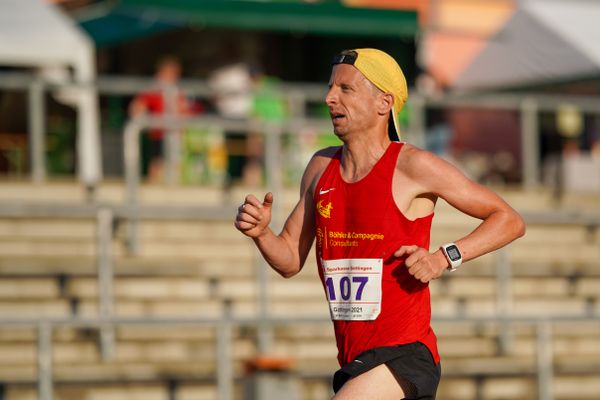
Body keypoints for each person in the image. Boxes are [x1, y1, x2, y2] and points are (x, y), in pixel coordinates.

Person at [234, 48, 525, 399]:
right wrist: (262, 233)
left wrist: (443, 257)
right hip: (354, 360)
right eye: (330, 87)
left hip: (405, 355)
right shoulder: (319, 167)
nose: (329, 99)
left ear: (383, 103)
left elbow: (508, 219)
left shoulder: (413, 165)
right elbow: (289, 260)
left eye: (345, 89)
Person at [129, 56, 198, 182]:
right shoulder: (155, 86)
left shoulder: (178, 87)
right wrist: (144, 122)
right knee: (158, 162)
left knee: (176, 162)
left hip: (177, 132)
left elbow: (186, 108)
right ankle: (154, 185)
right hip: (160, 132)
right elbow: (138, 106)